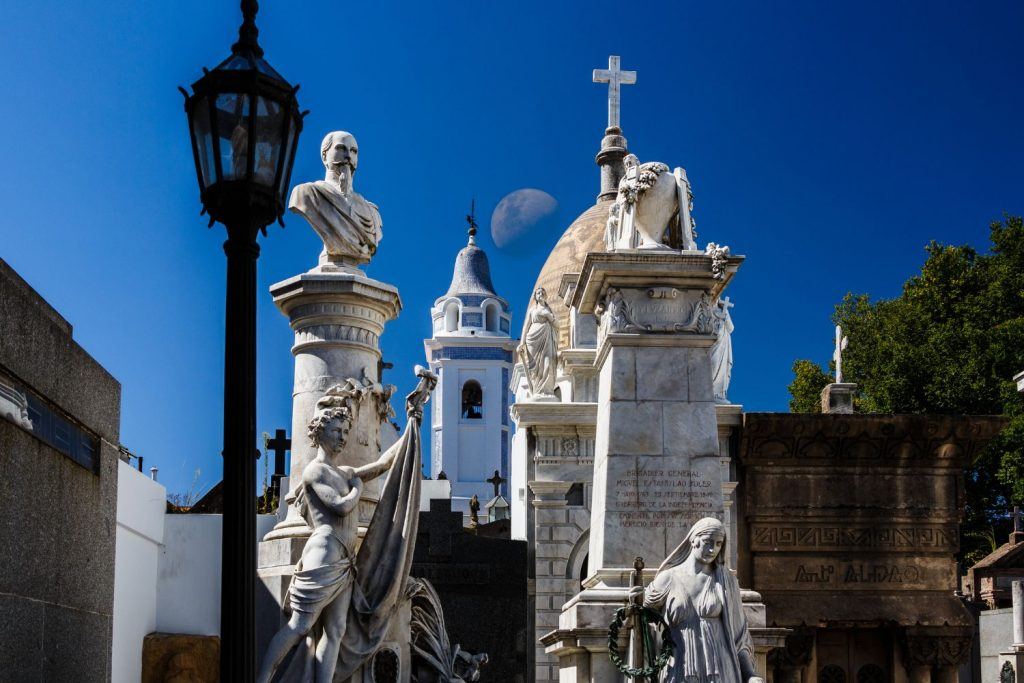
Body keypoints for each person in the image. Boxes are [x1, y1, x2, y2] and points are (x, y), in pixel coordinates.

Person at [256, 394, 398, 683]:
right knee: (300, 625)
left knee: (335, 632)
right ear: (320, 433)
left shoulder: (344, 472)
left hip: (345, 559)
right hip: (324, 551)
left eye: (345, 431)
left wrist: (413, 425)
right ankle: (262, 677)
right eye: (336, 431)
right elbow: (341, 506)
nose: (343, 437)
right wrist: (357, 488)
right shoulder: (314, 471)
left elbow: (382, 464)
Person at [640, 517, 763, 683]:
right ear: (693, 539)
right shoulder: (667, 578)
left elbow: (740, 636)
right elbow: (643, 619)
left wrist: (749, 674)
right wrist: (636, 603)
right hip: (679, 663)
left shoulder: (726, 580)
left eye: (719, 544)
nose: (713, 549)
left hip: (720, 666)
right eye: (707, 542)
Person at [289, 131, 383, 268]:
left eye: (353, 151)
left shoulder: (372, 212)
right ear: (324, 156)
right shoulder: (307, 193)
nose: (348, 156)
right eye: (340, 148)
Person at [519, 287, 558, 398]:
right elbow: (525, 327)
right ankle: (537, 392)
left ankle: (546, 392)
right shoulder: (532, 310)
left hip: (547, 338)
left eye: (542, 293)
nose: (540, 294)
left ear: (546, 295)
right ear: (535, 297)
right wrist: (522, 343)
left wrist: (549, 316)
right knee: (535, 369)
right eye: (538, 293)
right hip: (533, 340)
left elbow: (557, 326)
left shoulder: (549, 310)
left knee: (548, 364)